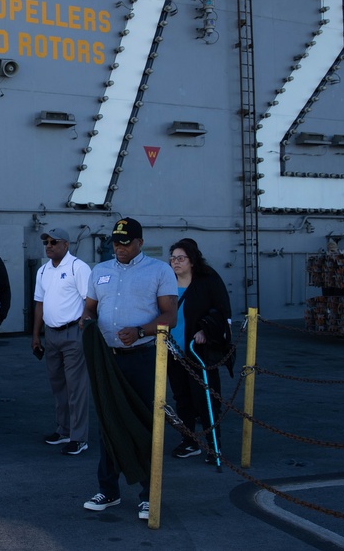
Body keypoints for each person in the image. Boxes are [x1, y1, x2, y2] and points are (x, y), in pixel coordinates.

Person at [79, 217, 177, 522]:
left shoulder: (159, 271)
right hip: (107, 360)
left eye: (125, 242)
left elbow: (170, 316)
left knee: (144, 423)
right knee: (108, 421)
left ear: (139, 243)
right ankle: (108, 490)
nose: (119, 248)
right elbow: (90, 309)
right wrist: (86, 322)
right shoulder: (100, 271)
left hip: (142, 358)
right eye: (116, 242)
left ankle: (149, 494)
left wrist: (141, 331)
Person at [167, 238, 232, 460]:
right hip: (172, 351)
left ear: (192, 261)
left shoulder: (208, 280)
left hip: (197, 352)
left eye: (181, 258)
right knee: (181, 398)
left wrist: (206, 330)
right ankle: (189, 441)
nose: (175, 262)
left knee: (205, 399)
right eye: (173, 258)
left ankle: (215, 445)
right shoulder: (166, 280)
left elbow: (222, 310)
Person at [32, 228, 92, 457]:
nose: (48, 245)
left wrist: (84, 322)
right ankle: (64, 430)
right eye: (46, 242)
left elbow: (90, 300)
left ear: (65, 245)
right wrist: (36, 335)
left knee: (76, 387)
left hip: (73, 333)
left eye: (53, 242)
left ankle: (79, 438)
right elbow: (39, 303)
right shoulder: (43, 271)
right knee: (58, 385)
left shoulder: (78, 267)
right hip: (52, 334)